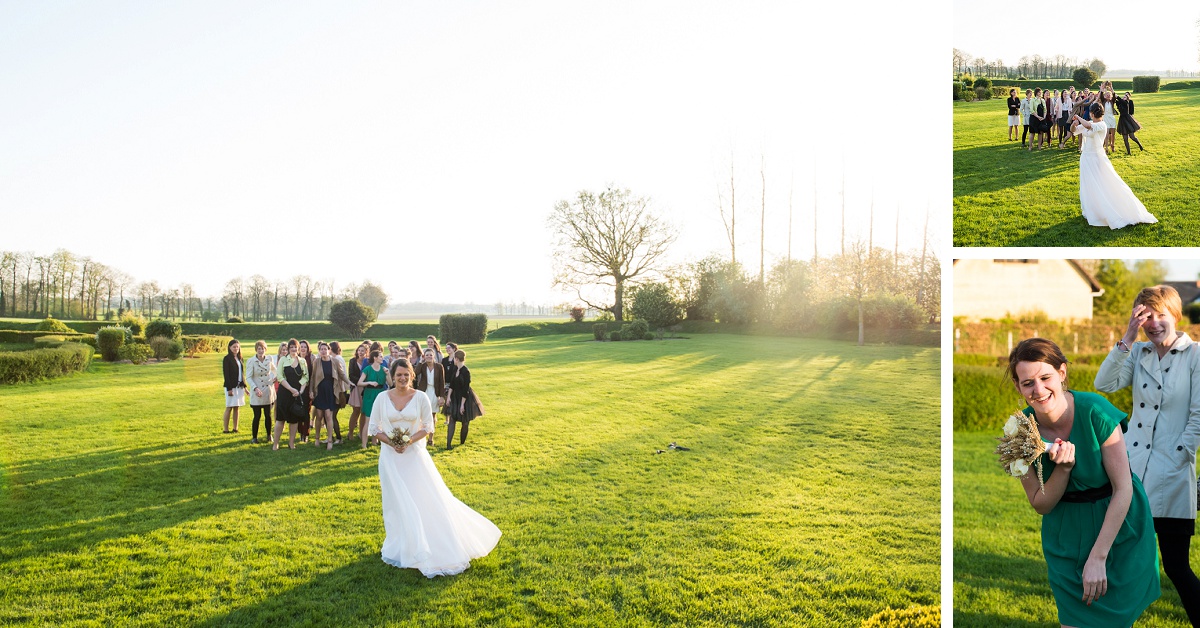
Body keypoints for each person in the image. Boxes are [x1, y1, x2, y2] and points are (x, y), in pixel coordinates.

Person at [1007, 338, 1159, 627]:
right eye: (1028, 383)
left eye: (1045, 377)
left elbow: (1123, 488)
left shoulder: (1095, 411)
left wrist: (1098, 557)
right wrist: (1062, 470)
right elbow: (1041, 504)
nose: (1038, 390)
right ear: (1018, 386)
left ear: (1062, 372)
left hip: (1118, 523)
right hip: (1065, 533)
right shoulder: (1019, 432)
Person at [1094, 286, 1200, 626]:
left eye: (1160, 315)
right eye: (1146, 316)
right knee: (1122, 557)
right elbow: (1104, 384)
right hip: (1133, 469)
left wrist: (1182, 452)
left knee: (1176, 566)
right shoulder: (1138, 353)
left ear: (1175, 315)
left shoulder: (1196, 354)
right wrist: (1127, 336)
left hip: (1173, 470)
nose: (1153, 323)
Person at [369, 359, 501, 576]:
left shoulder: (420, 397)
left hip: (414, 456)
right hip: (390, 458)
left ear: (412, 375)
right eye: (398, 375)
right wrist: (393, 443)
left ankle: (432, 542)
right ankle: (403, 544)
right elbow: (375, 428)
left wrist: (407, 442)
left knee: (423, 497)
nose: (402, 378)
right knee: (396, 501)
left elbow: (427, 426)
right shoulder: (382, 398)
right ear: (392, 376)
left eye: (406, 374)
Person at [1072, 102, 1157, 229]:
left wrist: (1078, 117)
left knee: (1104, 183)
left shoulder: (1101, 124)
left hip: (1097, 158)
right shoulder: (1088, 123)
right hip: (1086, 158)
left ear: (1092, 113)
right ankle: (1094, 210)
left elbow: (1089, 126)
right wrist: (1074, 125)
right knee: (1088, 184)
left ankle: (1110, 209)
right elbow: (1075, 131)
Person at [310, 341, 350, 451]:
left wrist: (349, 383)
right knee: (319, 416)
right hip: (320, 392)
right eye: (321, 349)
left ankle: (330, 440)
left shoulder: (335, 361)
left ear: (329, 350)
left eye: (325, 349)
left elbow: (341, 374)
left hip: (331, 392)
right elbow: (313, 377)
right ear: (319, 351)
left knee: (329, 416)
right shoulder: (316, 362)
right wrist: (311, 391)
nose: (323, 351)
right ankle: (317, 438)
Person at [273, 339, 309, 450]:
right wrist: (291, 389)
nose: (293, 349)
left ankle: (291, 443)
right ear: (288, 349)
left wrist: (300, 391)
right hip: (285, 393)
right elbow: (280, 376)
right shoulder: (283, 360)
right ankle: (275, 444)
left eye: (295, 347)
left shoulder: (302, 361)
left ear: (298, 349)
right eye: (291, 347)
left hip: (297, 394)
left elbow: (305, 377)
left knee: (294, 420)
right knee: (280, 419)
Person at [445, 349, 481, 450]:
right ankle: (448, 444)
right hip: (454, 397)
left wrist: (462, 405)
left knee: (465, 421)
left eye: (454, 359)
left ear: (457, 359)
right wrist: (448, 397)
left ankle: (462, 443)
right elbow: (451, 384)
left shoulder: (466, 371)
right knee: (452, 419)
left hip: (465, 398)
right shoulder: (454, 369)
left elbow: (466, 389)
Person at [246, 340, 277, 444]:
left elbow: (274, 370)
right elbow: (249, 377)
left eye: (262, 348)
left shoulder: (269, 359)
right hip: (257, 391)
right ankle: (254, 437)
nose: (261, 351)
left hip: (267, 390)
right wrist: (255, 388)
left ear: (265, 350)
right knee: (257, 415)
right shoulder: (251, 361)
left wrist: (276, 377)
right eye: (259, 348)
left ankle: (269, 435)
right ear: (256, 350)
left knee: (268, 415)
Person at [413, 348, 446, 447]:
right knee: (420, 415)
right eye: (426, 355)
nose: (429, 357)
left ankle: (431, 438)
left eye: (430, 355)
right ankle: (420, 437)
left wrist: (442, 397)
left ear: (434, 356)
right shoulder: (422, 366)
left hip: (434, 392)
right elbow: (415, 373)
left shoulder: (439, 367)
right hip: (424, 391)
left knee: (432, 416)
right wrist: (420, 362)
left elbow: (442, 382)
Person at [357, 349, 388, 449]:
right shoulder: (367, 369)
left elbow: (391, 384)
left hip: (380, 394)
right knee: (368, 419)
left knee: (378, 420)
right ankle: (364, 444)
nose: (382, 358)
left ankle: (375, 441)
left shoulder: (384, 369)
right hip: (369, 394)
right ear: (375, 358)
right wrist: (369, 383)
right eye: (380, 356)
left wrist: (388, 374)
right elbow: (359, 383)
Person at [222, 339, 247, 434]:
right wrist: (229, 389)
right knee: (229, 407)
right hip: (231, 387)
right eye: (234, 347)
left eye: (237, 347)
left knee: (237, 407)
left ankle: (235, 428)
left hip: (239, 386)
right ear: (230, 347)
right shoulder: (227, 359)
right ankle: (225, 429)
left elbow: (242, 374)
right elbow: (226, 375)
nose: (236, 348)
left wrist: (245, 387)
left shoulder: (240, 358)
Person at [347, 344, 368, 442]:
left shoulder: (368, 362)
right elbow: (351, 375)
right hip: (356, 388)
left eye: (363, 350)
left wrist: (364, 383)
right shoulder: (352, 361)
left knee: (363, 412)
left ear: (366, 352)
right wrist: (360, 382)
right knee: (356, 411)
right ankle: (350, 432)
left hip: (366, 389)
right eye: (359, 350)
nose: (360, 352)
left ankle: (361, 433)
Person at [297, 340, 315, 442]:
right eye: (301, 346)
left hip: (308, 389)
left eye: (305, 347)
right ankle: (300, 432)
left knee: (306, 411)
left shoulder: (312, 358)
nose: (303, 348)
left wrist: (312, 390)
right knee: (298, 411)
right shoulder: (294, 358)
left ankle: (306, 433)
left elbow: (313, 376)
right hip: (297, 389)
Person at [1100, 90, 1118, 154]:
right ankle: (1106, 148)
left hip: (1112, 118)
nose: (1108, 95)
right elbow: (1101, 95)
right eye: (1107, 94)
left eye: (1109, 94)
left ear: (1111, 96)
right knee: (1106, 134)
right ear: (1105, 96)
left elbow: (1114, 94)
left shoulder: (1112, 101)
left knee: (1113, 134)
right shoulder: (1103, 101)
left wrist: (1111, 87)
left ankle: (1112, 145)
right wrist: (1102, 89)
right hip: (1105, 118)